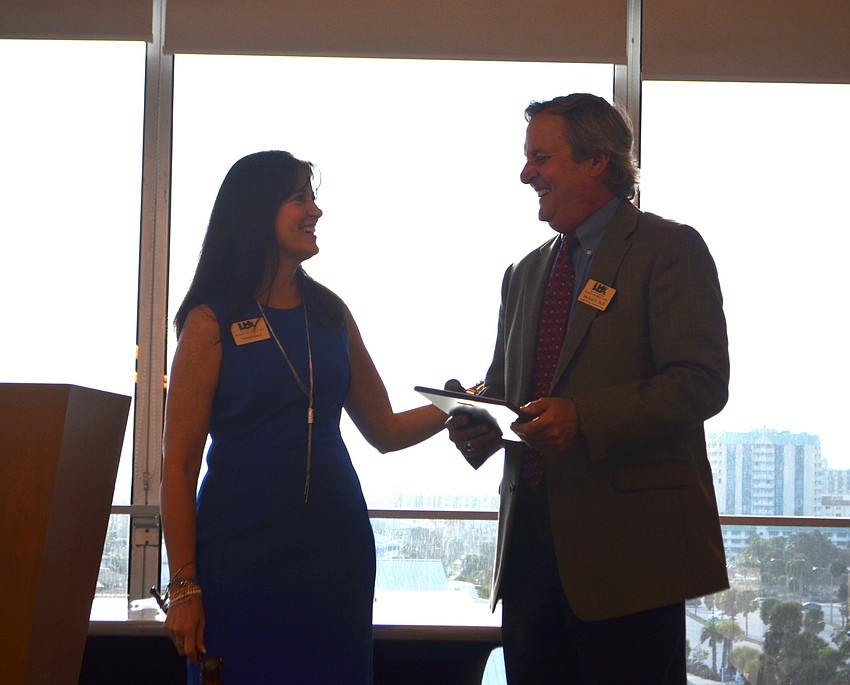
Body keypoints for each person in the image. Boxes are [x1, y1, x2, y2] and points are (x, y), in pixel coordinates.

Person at [445, 94, 730, 684]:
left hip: (630, 558)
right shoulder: (524, 273)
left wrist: (583, 417)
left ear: (596, 160)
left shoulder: (669, 249)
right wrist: (480, 420)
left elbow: (700, 382)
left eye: (541, 157)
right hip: (529, 554)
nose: (526, 174)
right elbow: (509, 387)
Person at [160, 150, 447, 684]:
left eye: (313, 198)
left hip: (336, 555)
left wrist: (465, 406)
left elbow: (384, 429)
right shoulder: (210, 322)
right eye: (300, 198)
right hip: (240, 559)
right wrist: (184, 587)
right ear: (255, 213)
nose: (316, 211)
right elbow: (176, 467)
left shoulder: (331, 312)